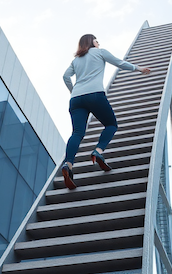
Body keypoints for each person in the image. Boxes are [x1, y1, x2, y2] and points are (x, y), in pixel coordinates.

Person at [60, 34, 151, 190]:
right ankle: (98, 150)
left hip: (76, 99)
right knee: (111, 125)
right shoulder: (100, 52)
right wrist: (138, 68)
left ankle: (68, 165)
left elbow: (65, 76)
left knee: (77, 133)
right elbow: (119, 63)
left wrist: (73, 91)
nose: (98, 42)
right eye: (96, 40)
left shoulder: (76, 60)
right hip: (95, 94)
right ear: (91, 42)